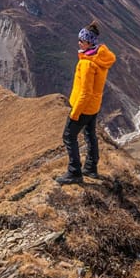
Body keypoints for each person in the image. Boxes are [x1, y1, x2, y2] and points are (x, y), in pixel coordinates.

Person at [56, 22, 117, 184]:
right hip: (94, 106)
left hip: (83, 107)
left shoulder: (87, 63)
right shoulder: (100, 58)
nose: (79, 43)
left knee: (69, 136)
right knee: (90, 135)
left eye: (81, 40)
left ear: (89, 42)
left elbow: (85, 92)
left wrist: (75, 112)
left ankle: (74, 172)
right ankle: (91, 167)